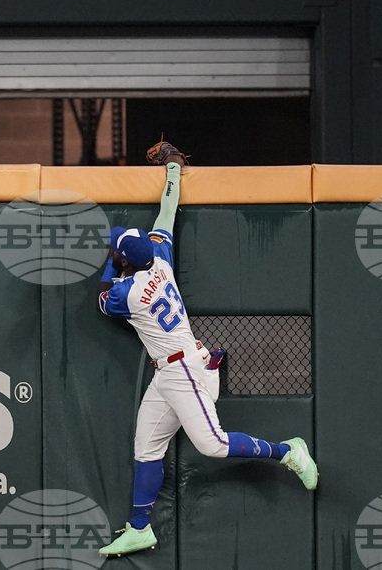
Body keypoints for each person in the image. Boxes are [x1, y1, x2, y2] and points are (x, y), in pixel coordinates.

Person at [95, 161, 319, 558]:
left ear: (126, 261)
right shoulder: (160, 258)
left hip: (183, 369)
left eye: (117, 253)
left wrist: (114, 261)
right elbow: (166, 215)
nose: (112, 254)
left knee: (212, 444)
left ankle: (288, 452)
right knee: (147, 448)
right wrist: (173, 174)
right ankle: (140, 528)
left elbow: (102, 296)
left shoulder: (127, 293)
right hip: (169, 371)